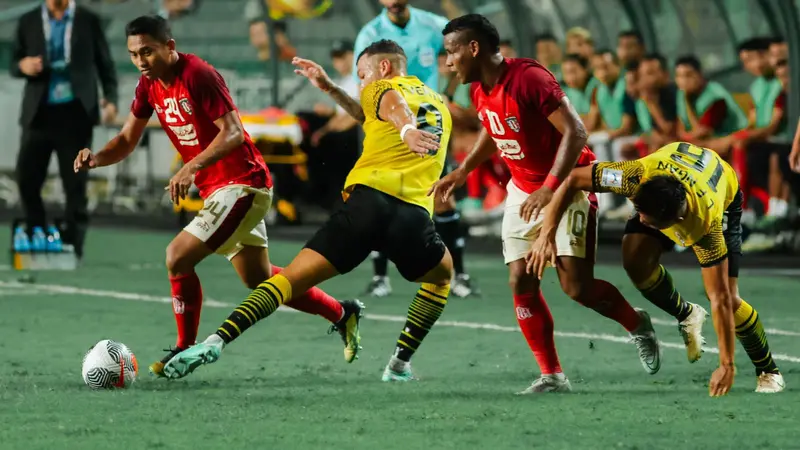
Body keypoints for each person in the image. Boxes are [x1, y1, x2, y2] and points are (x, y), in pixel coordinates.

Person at [73, 15, 361, 377]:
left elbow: (234, 134)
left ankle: (184, 347)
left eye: (147, 51)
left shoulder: (198, 74)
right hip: (219, 190)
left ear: (170, 46)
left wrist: (189, 167)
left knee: (177, 256)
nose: (141, 61)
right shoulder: (148, 85)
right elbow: (128, 139)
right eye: (134, 54)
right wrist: (97, 157)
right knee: (259, 280)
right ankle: (342, 312)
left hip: (244, 184)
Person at [162, 40, 455, 382]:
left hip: (366, 206)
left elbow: (392, 107)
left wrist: (406, 130)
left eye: (362, 76)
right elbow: (373, 116)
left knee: (286, 281)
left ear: (384, 68)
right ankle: (399, 365)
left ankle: (214, 342)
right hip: (412, 218)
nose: (362, 84)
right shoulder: (439, 104)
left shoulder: (384, 88)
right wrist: (331, 88)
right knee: (441, 278)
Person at [431, 14, 661, 394]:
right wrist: (463, 171)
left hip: (569, 181)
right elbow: (494, 129)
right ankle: (552, 375)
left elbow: (577, 131)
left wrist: (550, 187)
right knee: (520, 279)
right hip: (524, 190)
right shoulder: (478, 89)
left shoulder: (529, 77)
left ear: (474, 48)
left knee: (576, 287)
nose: (448, 61)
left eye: (452, 52)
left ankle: (636, 324)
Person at [528, 142, 786, 396]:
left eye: (645, 219)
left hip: (723, 194)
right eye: (638, 211)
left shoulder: (705, 228)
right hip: (670, 176)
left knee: (729, 299)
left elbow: (718, 298)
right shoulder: (632, 176)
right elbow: (572, 178)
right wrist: (547, 234)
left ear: (675, 222)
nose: (638, 219)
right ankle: (686, 314)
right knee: (635, 262)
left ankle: (768, 370)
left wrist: (726, 364)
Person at [355, 0, 477, 298]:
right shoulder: (370, 33)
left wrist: (445, 93)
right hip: (388, 125)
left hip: (428, 122)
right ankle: (380, 278)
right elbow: (363, 84)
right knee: (378, 196)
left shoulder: (433, 25)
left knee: (443, 197)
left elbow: (459, 49)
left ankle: (459, 275)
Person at [11, 0, 118, 259]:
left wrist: (111, 98)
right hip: (39, 112)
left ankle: (72, 243)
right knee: (27, 178)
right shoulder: (28, 20)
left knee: (75, 183)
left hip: (76, 113)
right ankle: (36, 233)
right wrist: (22, 66)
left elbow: (105, 63)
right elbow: (14, 61)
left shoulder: (88, 20)